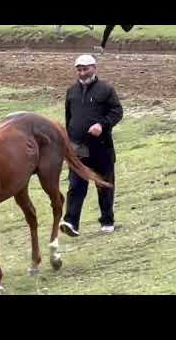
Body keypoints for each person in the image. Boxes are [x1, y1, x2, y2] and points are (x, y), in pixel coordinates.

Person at [60, 54, 123, 237]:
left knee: (104, 184)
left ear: (94, 67)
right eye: (79, 69)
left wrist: (102, 125)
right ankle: (71, 222)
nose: (82, 72)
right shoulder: (71, 91)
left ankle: (107, 221)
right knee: (76, 185)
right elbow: (68, 118)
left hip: (101, 147)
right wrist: (69, 142)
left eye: (85, 69)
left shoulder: (106, 89)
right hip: (78, 149)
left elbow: (117, 112)